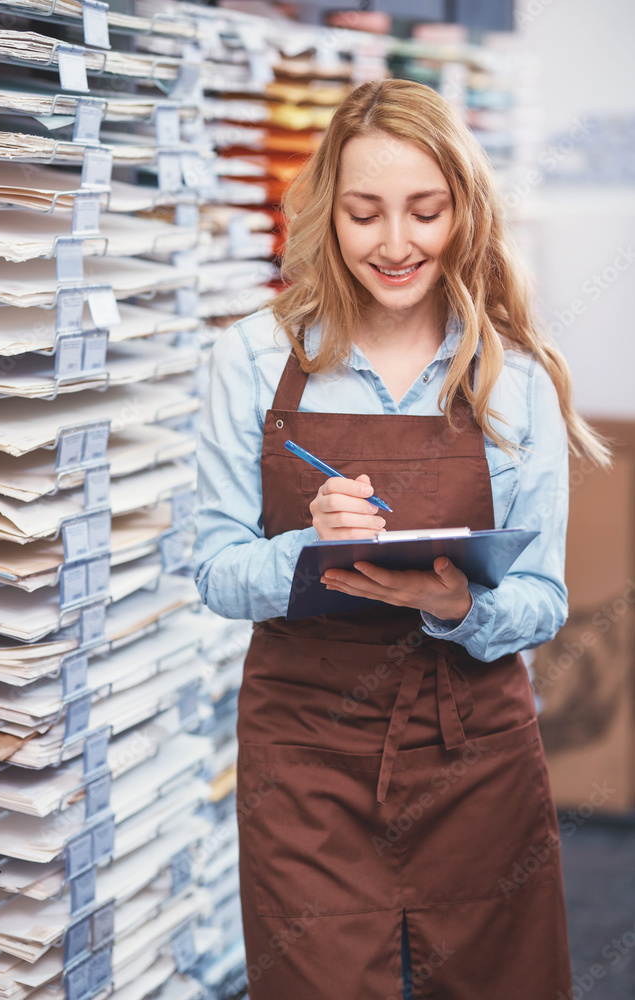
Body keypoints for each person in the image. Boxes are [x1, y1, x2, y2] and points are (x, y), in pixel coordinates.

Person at [191, 78, 610, 1000]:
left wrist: (456, 603)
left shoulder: (515, 378)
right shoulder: (253, 358)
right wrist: (303, 543)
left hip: (476, 756)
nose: (394, 244)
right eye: (363, 214)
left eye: (424, 212)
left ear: (464, 209)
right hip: (305, 759)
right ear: (324, 216)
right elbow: (214, 571)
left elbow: (542, 599)